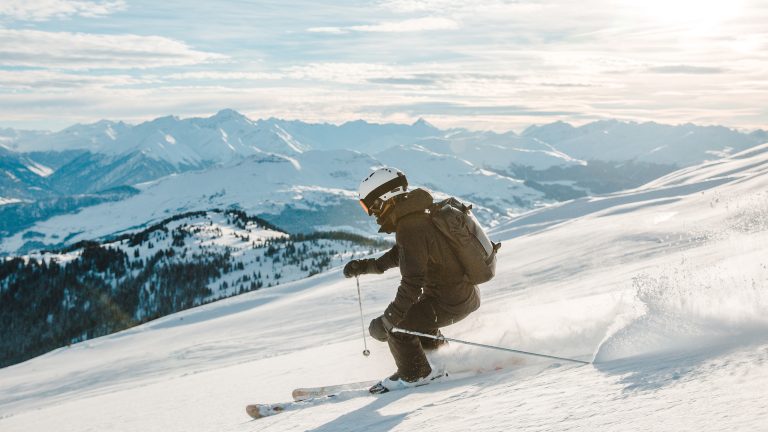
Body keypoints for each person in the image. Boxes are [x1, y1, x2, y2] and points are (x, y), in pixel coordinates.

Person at [343, 167, 481, 393]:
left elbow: (411, 283)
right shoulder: (420, 216)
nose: (372, 213)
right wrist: (368, 266)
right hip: (459, 295)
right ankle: (438, 362)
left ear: (385, 199)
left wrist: (389, 322)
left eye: (371, 206)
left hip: (449, 300)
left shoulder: (411, 226)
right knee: (417, 319)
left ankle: (416, 374)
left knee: (400, 326)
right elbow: (404, 254)